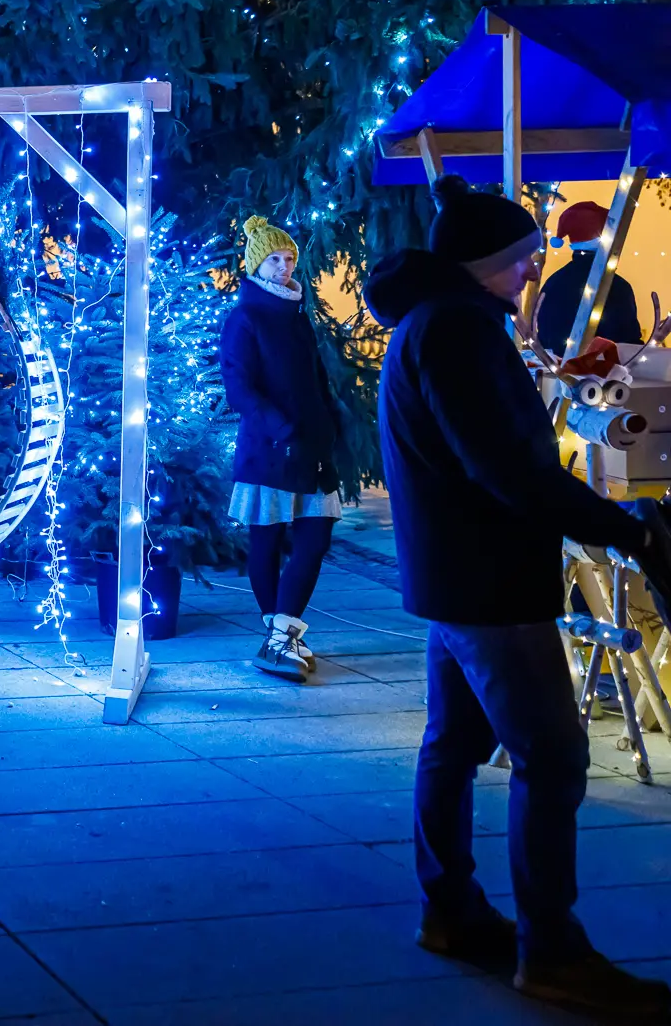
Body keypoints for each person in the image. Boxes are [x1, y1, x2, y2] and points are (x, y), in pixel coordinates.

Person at [364, 174, 671, 1017]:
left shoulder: (432, 324)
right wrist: (632, 531)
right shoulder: (460, 330)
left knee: (454, 743)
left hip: (456, 578)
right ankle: (553, 950)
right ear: (484, 262)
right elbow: (512, 471)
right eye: (524, 257)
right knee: (551, 756)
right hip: (491, 584)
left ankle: (451, 909)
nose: (535, 270)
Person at [220, 216, 343, 680]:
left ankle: (282, 632)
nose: (284, 267)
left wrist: (330, 425)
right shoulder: (245, 318)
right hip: (270, 450)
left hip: (311, 447)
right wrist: (283, 427)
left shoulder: (297, 317)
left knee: (316, 536)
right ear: (256, 265)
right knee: (267, 540)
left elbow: (316, 381)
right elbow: (239, 388)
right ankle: (280, 636)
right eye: (274, 259)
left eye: (289, 258)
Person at [534, 200, 645, 355]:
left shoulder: (553, 283)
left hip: (552, 374)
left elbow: (545, 338)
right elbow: (630, 346)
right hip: (605, 377)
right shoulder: (617, 287)